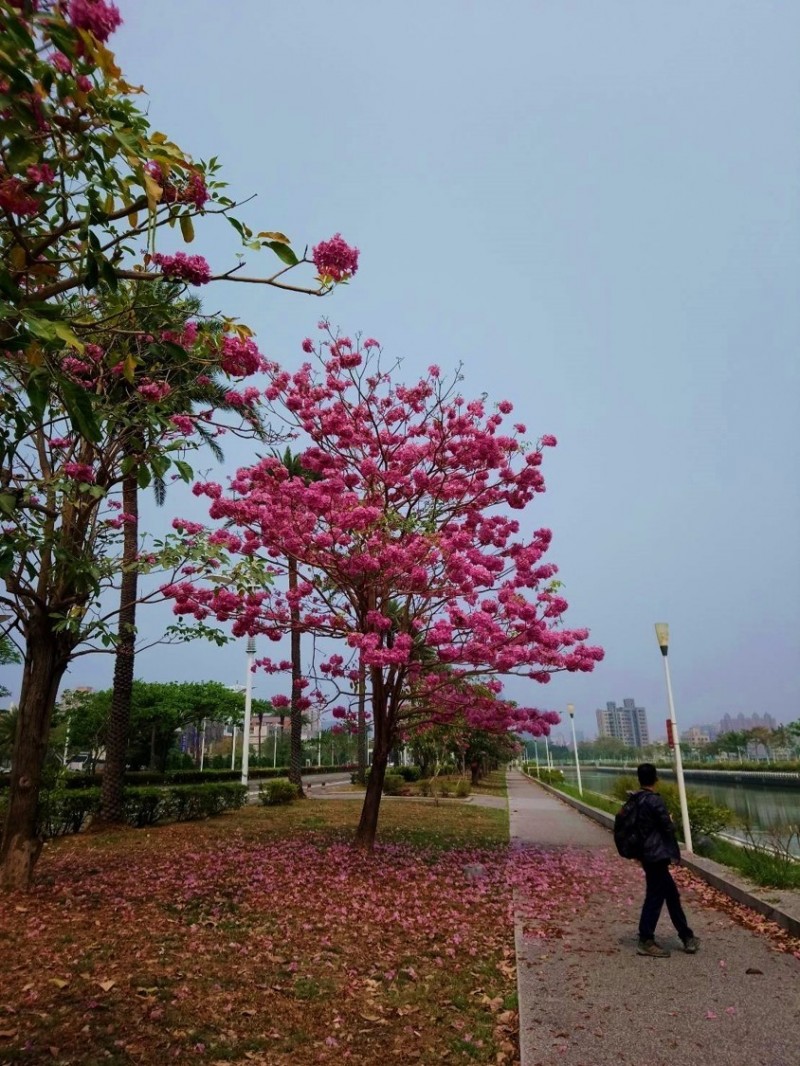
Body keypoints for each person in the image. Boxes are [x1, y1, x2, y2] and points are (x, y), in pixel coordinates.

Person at [634, 762, 699, 958]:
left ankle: (686, 935)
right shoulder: (654, 801)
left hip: (646, 855)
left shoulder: (635, 800)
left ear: (639, 779)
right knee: (655, 896)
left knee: (671, 895)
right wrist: (670, 820)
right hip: (657, 855)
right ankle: (646, 939)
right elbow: (667, 828)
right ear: (656, 779)